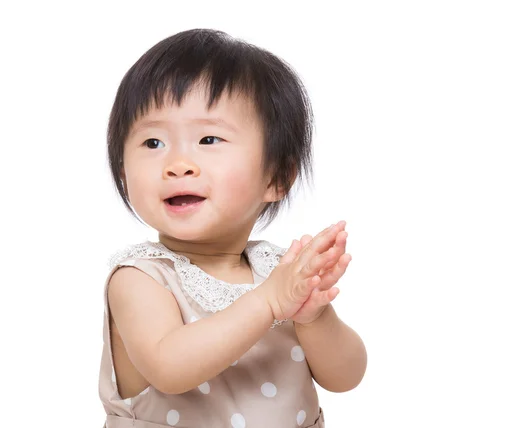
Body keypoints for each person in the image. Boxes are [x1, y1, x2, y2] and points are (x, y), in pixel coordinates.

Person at [99, 28, 367, 428]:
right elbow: (171, 368)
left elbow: (346, 377)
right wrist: (268, 304)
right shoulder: (142, 278)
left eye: (208, 138)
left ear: (277, 177)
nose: (177, 164)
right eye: (153, 143)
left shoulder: (278, 272)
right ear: (123, 173)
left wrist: (315, 317)